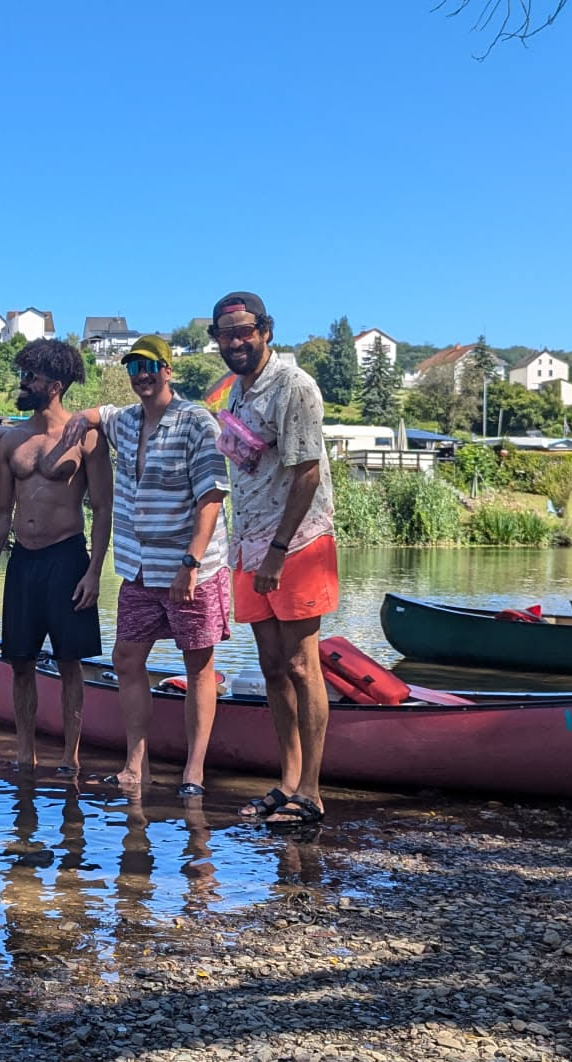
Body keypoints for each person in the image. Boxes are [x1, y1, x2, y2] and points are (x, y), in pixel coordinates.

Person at [64, 335, 229, 795]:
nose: (142, 376)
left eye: (150, 367)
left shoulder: (196, 422)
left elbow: (212, 497)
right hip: (138, 566)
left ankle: (193, 771)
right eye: (134, 368)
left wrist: (191, 562)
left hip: (189, 567)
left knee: (198, 665)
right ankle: (137, 765)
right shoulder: (128, 420)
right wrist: (75, 421)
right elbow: (97, 414)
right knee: (126, 658)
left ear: (167, 370)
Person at [208, 290, 337, 825]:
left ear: (266, 331)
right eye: (226, 334)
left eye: (245, 330)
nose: (236, 341)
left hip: (297, 542)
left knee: (303, 665)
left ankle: (311, 792)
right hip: (250, 544)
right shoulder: (237, 392)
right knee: (272, 667)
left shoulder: (294, 386)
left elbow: (307, 472)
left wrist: (279, 552)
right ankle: (288, 781)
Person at [0, 339, 112, 771]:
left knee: (71, 663)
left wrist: (94, 572)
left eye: (30, 376)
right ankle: (25, 753)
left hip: (67, 558)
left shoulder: (86, 436)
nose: (23, 383)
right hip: (23, 560)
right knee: (20, 663)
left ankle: (71, 757)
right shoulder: (12, 439)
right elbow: (2, 511)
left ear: (54, 385)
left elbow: (103, 508)